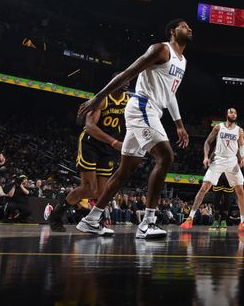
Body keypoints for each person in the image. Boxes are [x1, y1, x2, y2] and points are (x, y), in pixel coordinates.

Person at [76, 19, 192, 239]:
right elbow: (129, 73)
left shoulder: (183, 61)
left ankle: (91, 219)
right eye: (184, 26)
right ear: (172, 31)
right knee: (165, 157)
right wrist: (99, 96)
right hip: (142, 107)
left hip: (153, 111)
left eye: (189, 27)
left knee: (124, 172)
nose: (189, 28)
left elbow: (170, 94)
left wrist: (179, 124)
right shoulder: (160, 49)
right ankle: (147, 222)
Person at [49, 81, 128, 231]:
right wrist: (114, 142)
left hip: (108, 147)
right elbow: (90, 127)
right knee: (88, 187)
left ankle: (89, 220)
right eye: (122, 79)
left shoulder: (127, 100)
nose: (127, 82)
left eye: (127, 80)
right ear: (114, 83)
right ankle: (56, 215)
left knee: (100, 192)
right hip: (91, 144)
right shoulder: (103, 99)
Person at [180, 108, 244, 234]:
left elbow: (242, 145)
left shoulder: (239, 130)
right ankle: (190, 218)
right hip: (218, 160)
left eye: (235, 112)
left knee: (240, 190)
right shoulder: (218, 127)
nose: (233, 114)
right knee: (204, 188)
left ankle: (243, 222)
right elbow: (208, 142)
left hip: (232, 161)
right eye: (231, 112)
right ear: (227, 114)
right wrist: (206, 157)